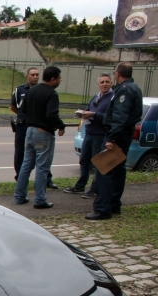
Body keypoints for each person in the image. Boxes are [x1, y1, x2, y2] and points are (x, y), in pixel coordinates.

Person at [86, 62, 143, 220]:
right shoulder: (135, 88)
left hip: (118, 134)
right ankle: (114, 204)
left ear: (117, 74)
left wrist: (111, 138)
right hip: (125, 134)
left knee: (105, 170)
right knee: (118, 171)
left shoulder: (124, 90)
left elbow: (120, 116)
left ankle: (103, 208)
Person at [13, 66, 66, 209]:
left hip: (29, 131)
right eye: (59, 78)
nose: (60, 80)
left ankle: (19, 196)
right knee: (42, 167)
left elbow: (22, 110)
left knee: (26, 165)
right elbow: (51, 115)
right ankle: (40, 199)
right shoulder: (52, 94)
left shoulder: (32, 91)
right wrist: (61, 125)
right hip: (43, 133)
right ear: (53, 79)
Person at [64, 74, 113, 198]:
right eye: (102, 82)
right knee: (84, 161)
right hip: (89, 133)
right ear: (98, 84)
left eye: (107, 82)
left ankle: (94, 189)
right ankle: (80, 185)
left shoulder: (112, 98)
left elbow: (109, 117)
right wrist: (83, 113)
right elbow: (89, 109)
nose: (105, 84)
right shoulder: (96, 97)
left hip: (100, 135)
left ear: (111, 83)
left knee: (98, 164)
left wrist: (93, 114)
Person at [11, 67, 57, 189]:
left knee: (42, 158)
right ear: (27, 76)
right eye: (32, 75)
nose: (35, 77)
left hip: (37, 125)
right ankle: (20, 179)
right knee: (22, 154)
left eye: (37, 74)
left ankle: (47, 179)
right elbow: (14, 107)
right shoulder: (20, 90)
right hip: (23, 125)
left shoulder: (44, 90)